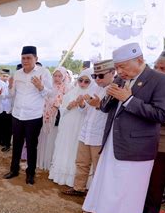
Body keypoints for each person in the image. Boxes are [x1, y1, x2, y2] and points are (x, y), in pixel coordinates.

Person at [82, 43, 165, 213]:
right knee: (109, 179)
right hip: (114, 138)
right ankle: (103, 212)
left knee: (130, 186)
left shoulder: (160, 80)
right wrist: (110, 96)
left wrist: (129, 99)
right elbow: (106, 109)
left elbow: (162, 114)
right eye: (118, 67)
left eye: (123, 67)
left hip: (138, 144)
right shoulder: (121, 79)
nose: (119, 71)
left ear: (139, 61)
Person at [62, 60, 114, 196]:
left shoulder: (114, 90)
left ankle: (96, 194)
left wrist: (98, 105)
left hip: (99, 134)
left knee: (98, 166)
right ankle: (79, 188)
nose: (97, 79)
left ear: (112, 73)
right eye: (94, 76)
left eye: (100, 76)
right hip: (86, 132)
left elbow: (112, 114)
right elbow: (85, 112)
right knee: (81, 162)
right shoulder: (93, 88)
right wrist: (81, 104)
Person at [3, 46, 52, 185]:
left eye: (29, 58)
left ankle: (30, 173)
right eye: (23, 58)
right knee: (16, 144)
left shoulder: (44, 72)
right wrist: (10, 86)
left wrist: (40, 86)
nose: (25, 60)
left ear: (36, 59)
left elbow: (50, 93)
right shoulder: (17, 73)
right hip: (17, 115)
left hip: (33, 117)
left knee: (31, 146)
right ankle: (14, 170)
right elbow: (12, 95)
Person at [49, 69, 94, 186]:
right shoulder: (71, 92)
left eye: (86, 81)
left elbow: (91, 114)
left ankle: (76, 180)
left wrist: (82, 105)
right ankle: (61, 175)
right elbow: (62, 109)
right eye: (80, 80)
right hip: (68, 126)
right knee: (66, 147)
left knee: (77, 151)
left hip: (81, 127)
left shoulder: (93, 95)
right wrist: (69, 106)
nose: (82, 83)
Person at [142, 50, 165, 213]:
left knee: (157, 180)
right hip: (145, 139)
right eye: (156, 67)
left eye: (163, 68)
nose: (158, 71)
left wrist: (152, 114)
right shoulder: (151, 85)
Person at [37, 66, 69, 170]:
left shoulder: (66, 88)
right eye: (55, 75)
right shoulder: (49, 86)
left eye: (60, 76)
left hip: (57, 117)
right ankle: (42, 161)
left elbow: (66, 102)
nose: (57, 78)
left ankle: (51, 162)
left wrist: (57, 106)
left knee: (53, 139)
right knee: (44, 138)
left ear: (64, 76)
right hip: (45, 115)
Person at [0, 69, 13, 151]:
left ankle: (7, 144)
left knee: (8, 128)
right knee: (2, 127)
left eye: (6, 76)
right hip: (1, 109)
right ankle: (2, 142)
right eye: (3, 76)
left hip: (9, 110)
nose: (5, 78)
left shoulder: (11, 85)